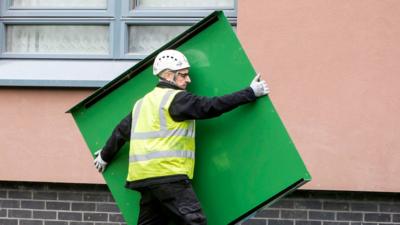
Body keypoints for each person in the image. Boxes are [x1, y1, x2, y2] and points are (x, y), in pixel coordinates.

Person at [93, 49, 269, 225]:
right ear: (169, 75)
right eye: (183, 75)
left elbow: (121, 131)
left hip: (144, 179)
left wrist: (104, 156)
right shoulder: (177, 99)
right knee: (195, 221)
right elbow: (212, 106)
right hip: (168, 176)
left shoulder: (142, 103)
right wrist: (251, 92)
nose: (188, 79)